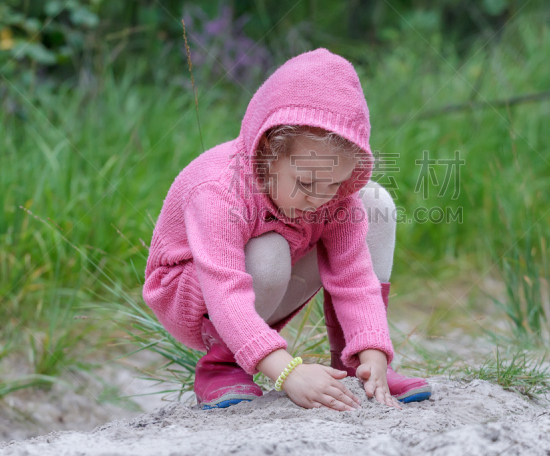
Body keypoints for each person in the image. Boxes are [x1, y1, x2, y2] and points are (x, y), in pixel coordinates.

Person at [143, 48, 432, 411]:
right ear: (267, 150)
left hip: (274, 263)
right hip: (196, 293)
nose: (321, 199)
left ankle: (355, 363)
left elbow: (353, 275)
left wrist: (373, 349)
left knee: (374, 204)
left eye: (335, 183)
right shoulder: (219, 191)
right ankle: (222, 364)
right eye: (306, 183)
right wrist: (288, 373)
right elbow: (225, 292)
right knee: (268, 252)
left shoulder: (329, 194)